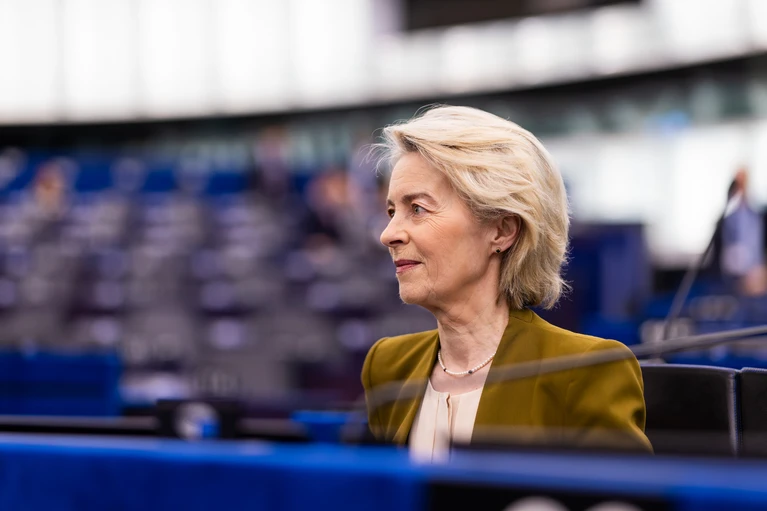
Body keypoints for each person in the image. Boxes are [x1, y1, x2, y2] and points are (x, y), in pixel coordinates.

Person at [361, 106, 651, 460]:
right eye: (392, 212)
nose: (388, 234)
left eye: (418, 209)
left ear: (501, 230)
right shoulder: (387, 366)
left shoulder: (588, 371)